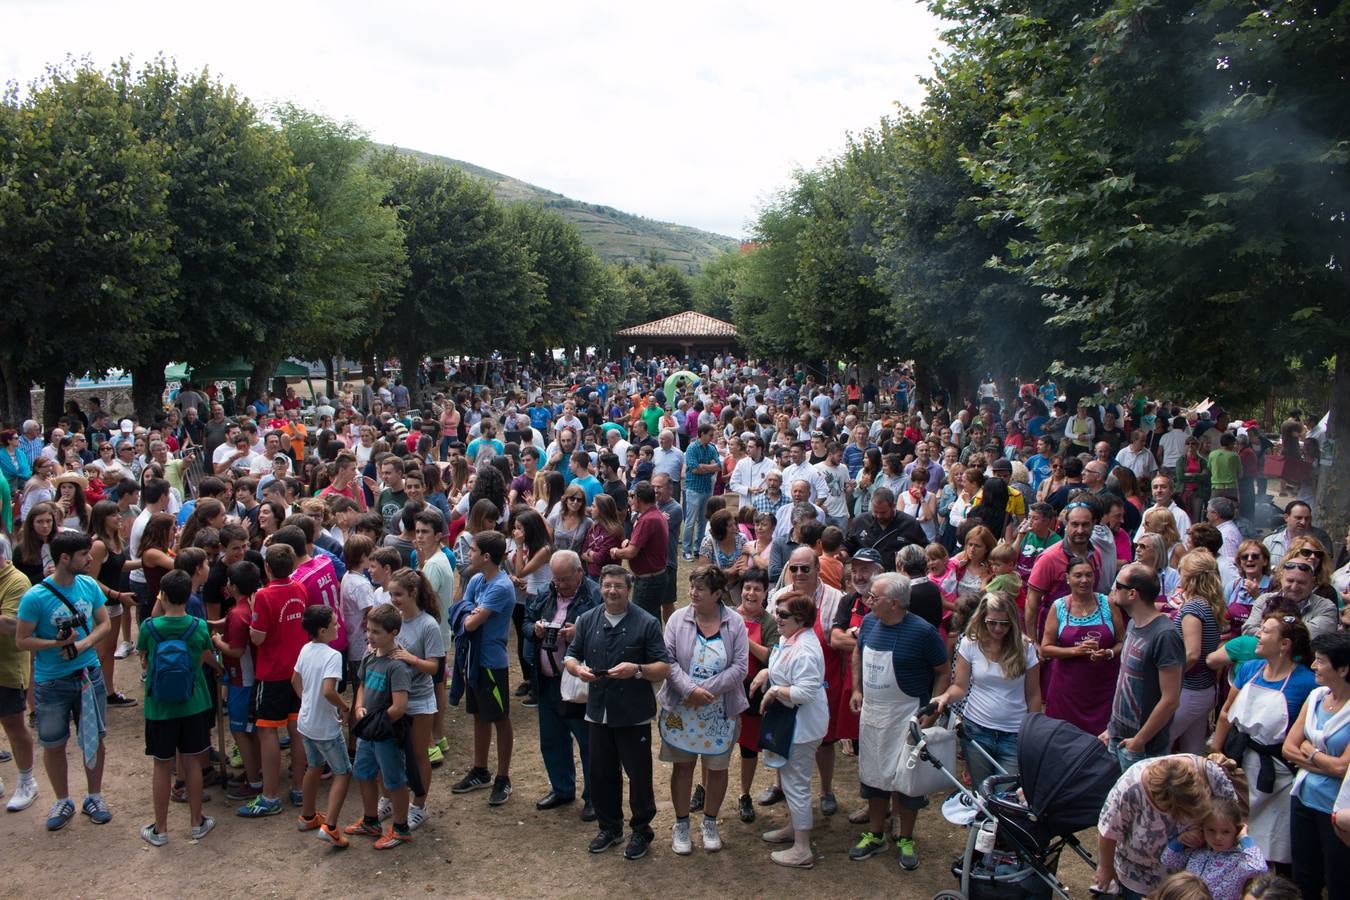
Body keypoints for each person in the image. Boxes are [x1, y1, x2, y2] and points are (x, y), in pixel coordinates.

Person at [564, 566, 672, 861]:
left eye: (618, 587)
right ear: (600, 587)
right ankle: (609, 827)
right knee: (601, 774)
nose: (612, 591)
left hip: (632, 713)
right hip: (598, 712)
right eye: (607, 585)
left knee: (638, 775)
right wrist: (578, 669)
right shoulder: (587, 620)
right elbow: (571, 655)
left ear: (629, 589)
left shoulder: (647, 623)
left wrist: (636, 670)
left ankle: (641, 830)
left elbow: (663, 667)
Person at [847, 572, 949, 871]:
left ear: (893, 603)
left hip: (907, 716)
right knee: (873, 776)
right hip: (873, 714)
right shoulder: (868, 623)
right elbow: (857, 653)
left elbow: (943, 671)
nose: (868, 601)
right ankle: (876, 833)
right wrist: (857, 688)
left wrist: (932, 709)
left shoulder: (923, 632)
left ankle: (905, 837)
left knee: (907, 781)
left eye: (874, 598)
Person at [14, 530, 114, 831]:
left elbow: (105, 623)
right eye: (84, 554)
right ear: (64, 558)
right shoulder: (35, 597)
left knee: (94, 739)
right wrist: (55, 644)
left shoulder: (88, 585)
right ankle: (63, 799)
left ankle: (94, 796)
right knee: (54, 743)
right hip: (51, 682)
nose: (90, 558)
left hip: (88, 675)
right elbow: (22, 640)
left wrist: (83, 645)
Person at [1211, 613, 1315, 870]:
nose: (1258, 634)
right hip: (1240, 764)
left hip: (1279, 774)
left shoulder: (1306, 682)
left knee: (1276, 843)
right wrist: (1215, 750)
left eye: (1266, 631)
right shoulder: (1249, 668)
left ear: (1284, 644)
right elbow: (1226, 711)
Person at [658, 566, 749, 855]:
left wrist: (706, 691)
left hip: (720, 710)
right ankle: (681, 824)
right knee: (683, 766)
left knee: (717, 767)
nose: (693, 593)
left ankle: (710, 822)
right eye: (692, 587)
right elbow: (668, 660)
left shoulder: (735, 623)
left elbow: (740, 667)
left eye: (700, 589)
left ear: (718, 594)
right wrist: (689, 690)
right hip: (682, 709)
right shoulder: (677, 619)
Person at [746, 589, 829, 868]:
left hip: (801, 727)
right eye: (776, 611)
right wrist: (766, 672)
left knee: (796, 784)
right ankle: (794, 828)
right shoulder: (788, 638)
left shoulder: (805, 649)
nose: (776, 618)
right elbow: (782, 662)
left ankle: (802, 848)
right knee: (788, 775)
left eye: (783, 615)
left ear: (802, 619)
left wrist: (775, 691)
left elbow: (805, 690)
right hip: (789, 722)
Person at [137, 569, 219, 846]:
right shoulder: (198, 626)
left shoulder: (149, 627)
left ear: (163, 595)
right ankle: (197, 822)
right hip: (193, 702)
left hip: (159, 707)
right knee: (192, 761)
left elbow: (145, 660)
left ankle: (160, 829)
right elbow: (203, 655)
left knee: (162, 766)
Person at [1096, 753, 1241, 900]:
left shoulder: (1209, 774)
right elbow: (1109, 830)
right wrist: (1106, 868)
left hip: (1193, 880)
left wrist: (1206, 833)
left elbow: (1233, 816)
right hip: (1140, 876)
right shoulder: (1129, 786)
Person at [523, 550, 600, 821]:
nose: (560, 584)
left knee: (588, 742)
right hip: (546, 680)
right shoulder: (546, 592)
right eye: (556, 579)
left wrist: (580, 631)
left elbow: (607, 632)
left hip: (577, 683)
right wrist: (535, 629)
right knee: (552, 739)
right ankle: (562, 788)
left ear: (580, 572)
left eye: (565, 579)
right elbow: (525, 622)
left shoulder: (595, 596)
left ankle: (594, 797)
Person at [936, 591, 1041, 785]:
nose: (998, 629)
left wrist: (1033, 732)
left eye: (1004, 623)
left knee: (1005, 797)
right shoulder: (970, 643)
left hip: (1014, 733)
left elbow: (1034, 695)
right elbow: (959, 686)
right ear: (982, 618)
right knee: (981, 791)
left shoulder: (1026, 648)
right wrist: (944, 697)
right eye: (992, 622)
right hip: (976, 730)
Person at [238, 542, 309, 818]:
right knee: (296, 729)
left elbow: (258, 637)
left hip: (272, 673)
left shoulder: (264, 596)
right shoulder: (300, 587)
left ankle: (269, 796)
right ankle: (299, 788)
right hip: (297, 670)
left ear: (267, 567)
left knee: (267, 731)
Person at [1282, 632, 1350, 899]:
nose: (1313, 666)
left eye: (1321, 661)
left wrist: (1309, 752)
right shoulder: (1317, 697)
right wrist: (1322, 760)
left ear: (1343, 668)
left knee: (1339, 880)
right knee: (1304, 877)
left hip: (1336, 810)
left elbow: (1343, 769)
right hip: (1304, 799)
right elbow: (1289, 747)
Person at [343, 603, 414, 850]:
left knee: (394, 779)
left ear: (393, 632)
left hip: (386, 733)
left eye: (376, 632)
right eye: (368, 630)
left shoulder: (397, 665)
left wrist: (376, 723)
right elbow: (361, 685)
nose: (369, 636)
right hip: (368, 729)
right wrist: (358, 707)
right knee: (363, 772)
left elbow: (400, 706)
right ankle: (371, 820)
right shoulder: (370, 654)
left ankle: (401, 827)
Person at [452, 529, 516, 806]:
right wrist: (469, 611)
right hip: (473, 660)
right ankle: (480, 770)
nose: (468, 554)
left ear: (487, 556)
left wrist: (468, 612)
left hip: (492, 663)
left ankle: (503, 777)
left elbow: (467, 623)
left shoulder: (501, 587)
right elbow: (459, 610)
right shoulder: (477, 579)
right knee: (479, 715)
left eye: (472, 550)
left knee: (499, 718)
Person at [1105, 563, 1185, 771]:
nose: (1113, 589)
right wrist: (1111, 729)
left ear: (1132, 594)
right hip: (1117, 737)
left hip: (1143, 749)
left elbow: (1170, 700)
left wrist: (1139, 740)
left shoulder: (1165, 636)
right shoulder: (1133, 624)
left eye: (1118, 585)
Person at [385, 567, 444, 826]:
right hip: (395, 698)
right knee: (392, 753)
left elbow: (436, 668)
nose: (393, 599)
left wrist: (412, 659)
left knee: (419, 754)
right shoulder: (393, 619)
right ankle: (390, 800)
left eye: (398, 594)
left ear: (412, 593)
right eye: (391, 594)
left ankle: (419, 805)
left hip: (419, 699)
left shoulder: (428, 625)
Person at [1039, 554, 1124, 736]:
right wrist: (1074, 651)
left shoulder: (1108, 604)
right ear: (1068, 578)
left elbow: (1122, 642)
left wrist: (1108, 653)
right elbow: (1046, 648)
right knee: (1064, 739)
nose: (1084, 580)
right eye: (1078, 575)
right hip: (1067, 690)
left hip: (1103, 690)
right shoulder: (1059, 606)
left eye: (1089, 575)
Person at [292, 603, 352, 846]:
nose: (338, 626)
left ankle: (308, 816)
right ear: (323, 630)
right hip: (325, 727)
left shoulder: (306, 649)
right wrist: (344, 706)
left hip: (306, 723)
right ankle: (331, 826)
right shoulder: (333, 656)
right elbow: (329, 690)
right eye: (334, 623)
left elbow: (295, 679)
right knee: (343, 771)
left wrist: (307, 700)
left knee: (314, 766)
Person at [1167, 550, 1227, 754]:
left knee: (1159, 744)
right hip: (1205, 689)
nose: (1178, 575)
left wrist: (1168, 676)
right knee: (1192, 750)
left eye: (1181, 571)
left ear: (1190, 577)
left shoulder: (1192, 608)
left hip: (1189, 690)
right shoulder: (1211, 605)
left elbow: (1192, 653)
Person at [1159, 795, 1268, 900]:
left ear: (1236, 831)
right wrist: (1181, 840)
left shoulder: (1239, 860)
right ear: (1202, 828)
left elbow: (1259, 867)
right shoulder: (1197, 851)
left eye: (1226, 832)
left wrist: (1244, 838)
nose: (1217, 837)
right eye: (1211, 830)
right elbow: (1168, 859)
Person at [732, 567, 777, 823]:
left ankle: (744, 795)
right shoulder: (727, 615)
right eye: (747, 588)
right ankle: (703, 789)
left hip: (752, 693)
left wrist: (743, 636)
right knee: (716, 746)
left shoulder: (769, 622)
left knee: (748, 748)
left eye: (756, 589)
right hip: (726, 690)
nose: (750, 593)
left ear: (765, 592)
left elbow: (771, 656)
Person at [0, 534, 38, 812]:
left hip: (7, 667)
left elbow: (11, 626)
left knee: (13, 724)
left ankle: (27, 781)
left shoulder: (16, 581)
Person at [608, 481, 670, 620]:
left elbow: (631, 552)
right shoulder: (656, 515)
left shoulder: (647, 520)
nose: (630, 500)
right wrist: (630, 543)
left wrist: (616, 552)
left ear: (639, 499)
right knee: (652, 618)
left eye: (632, 496)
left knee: (642, 621)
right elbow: (647, 545)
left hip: (648, 581)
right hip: (656, 577)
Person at [844, 487, 928, 572]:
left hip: (895, 576)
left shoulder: (910, 523)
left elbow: (924, 549)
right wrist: (843, 553)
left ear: (893, 506)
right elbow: (848, 544)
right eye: (875, 512)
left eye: (883, 512)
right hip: (866, 575)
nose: (879, 516)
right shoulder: (860, 521)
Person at [681, 424, 721, 560]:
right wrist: (710, 467)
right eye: (710, 435)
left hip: (706, 489)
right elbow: (693, 468)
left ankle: (698, 549)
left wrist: (703, 467)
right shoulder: (692, 448)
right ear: (702, 434)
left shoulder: (711, 448)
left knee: (703, 521)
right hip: (694, 489)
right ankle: (686, 550)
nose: (712, 438)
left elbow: (719, 466)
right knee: (690, 521)